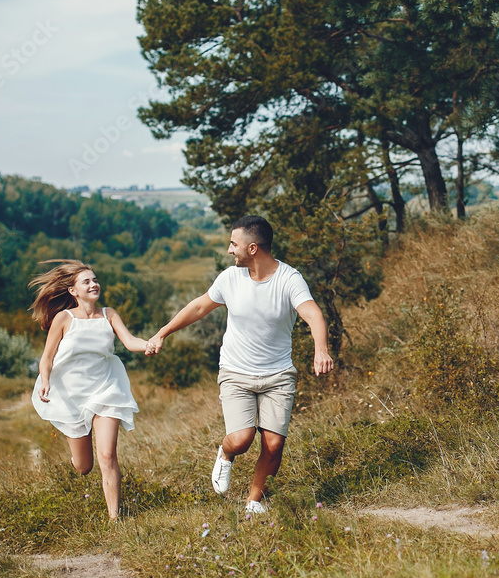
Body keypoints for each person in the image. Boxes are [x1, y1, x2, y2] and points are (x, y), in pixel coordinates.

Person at [145, 215, 333, 514]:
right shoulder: (229, 278)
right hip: (235, 372)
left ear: (254, 248)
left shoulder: (289, 279)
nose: (230, 250)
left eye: (234, 244)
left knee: (273, 445)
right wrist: (162, 332)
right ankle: (226, 453)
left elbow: (313, 314)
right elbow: (198, 307)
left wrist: (320, 349)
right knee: (241, 439)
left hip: (278, 375)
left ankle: (253, 502)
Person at [29, 260, 147, 520]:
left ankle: (115, 520)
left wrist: (149, 344)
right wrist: (45, 379)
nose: (94, 284)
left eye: (95, 280)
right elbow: (47, 358)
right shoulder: (64, 318)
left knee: (107, 455)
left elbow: (129, 342)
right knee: (84, 466)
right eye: (87, 281)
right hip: (71, 395)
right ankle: (76, 460)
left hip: (106, 389)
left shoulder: (109, 314)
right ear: (73, 291)